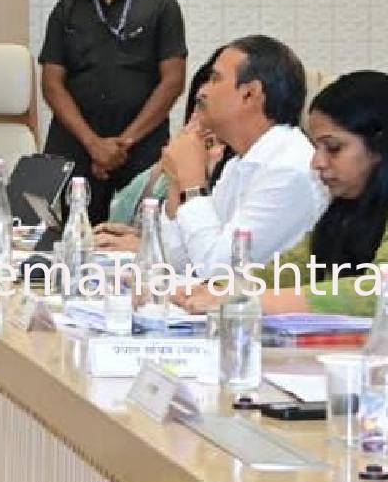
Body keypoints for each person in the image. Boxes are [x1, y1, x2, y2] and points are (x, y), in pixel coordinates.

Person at [175, 70, 388, 316]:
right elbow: (292, 269)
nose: (316, 162)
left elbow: (378, 291)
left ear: (380, 145)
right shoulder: (345, 209)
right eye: (316, 147)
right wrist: (213, 289)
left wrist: (248, 299)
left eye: (333, 148)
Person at [37, 0, 188, 223]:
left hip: (140, 147)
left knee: (141, 236)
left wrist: (123, 144)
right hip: (75, 146)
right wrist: (93, 144)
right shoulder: (66, 10)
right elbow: (51, 84)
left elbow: (173, 81)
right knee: (68, 236)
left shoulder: (161, 6)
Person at [140, 34, 323, 271]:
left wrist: (192, 184)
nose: (201, 92)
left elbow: (220, 270)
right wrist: (177, 181)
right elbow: (179, 261)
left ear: (250, 94)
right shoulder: (239, 162)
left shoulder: (288, 170)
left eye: (214, 79)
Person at [101, 47, 231, 232]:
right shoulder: (176, 157)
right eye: (199, 105)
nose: (200, 119)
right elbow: (119, 217)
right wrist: (166, 167)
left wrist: (197, 173)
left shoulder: (240, 168)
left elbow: (208, 242)